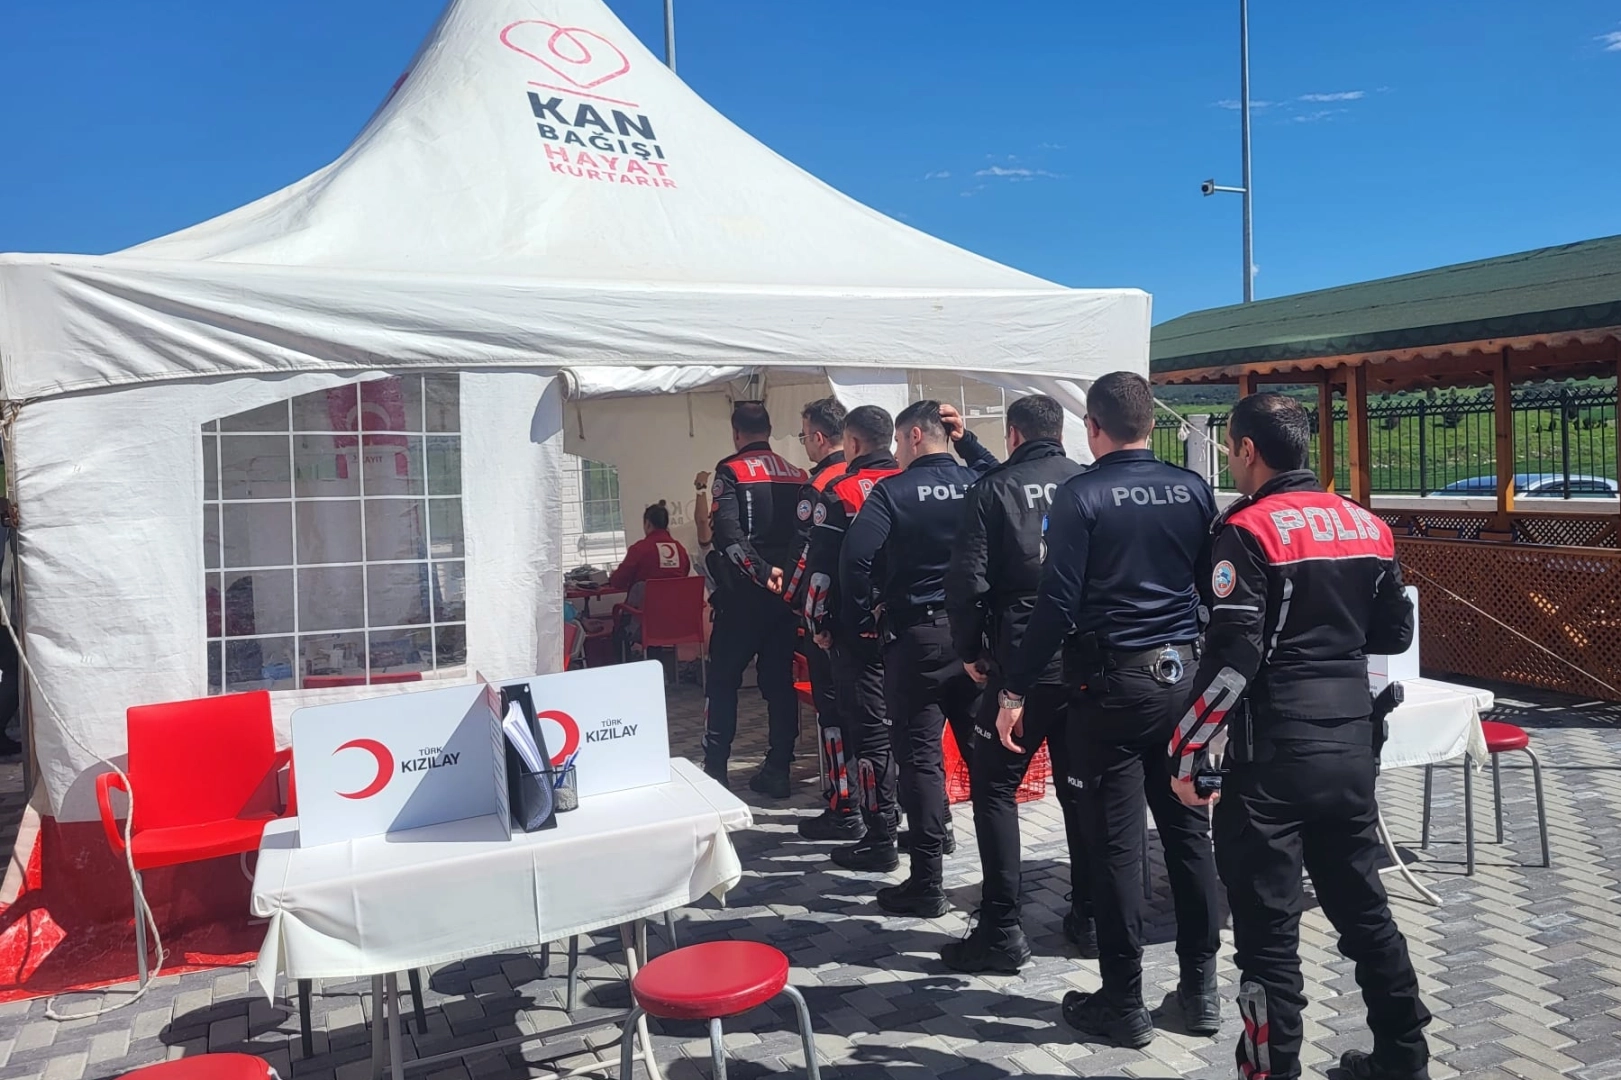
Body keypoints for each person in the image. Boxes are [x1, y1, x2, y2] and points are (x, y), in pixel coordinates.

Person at [1169, 393, 1428, 1080]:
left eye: (1230, 447)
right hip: (1350, 746)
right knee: (1365, 912)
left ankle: (1270, 1069)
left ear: (1247, 450)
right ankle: (1405, 1058)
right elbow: (1393, 633)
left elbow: (1232, 657)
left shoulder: (1247, 529)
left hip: (1272, 758)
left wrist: (1188, 751)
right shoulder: (1367, 524)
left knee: (1267, 940)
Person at [996, 371, 1220, 1048]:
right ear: (1148, 423)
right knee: (1187, 833)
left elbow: (1056, 604)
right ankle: (1201, 988)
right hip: (1181, 676)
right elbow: (1209, 586)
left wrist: (1014, 689)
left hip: (1114, 684)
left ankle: (1123, 1000)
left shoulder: (1082, 495)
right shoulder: (1191, 487)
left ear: (1092, 427)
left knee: (1119, 844)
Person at [941, 394, 1089, 974]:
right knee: (1080, 789)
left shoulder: (993, 490)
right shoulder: (1087, 481)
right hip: (1085, 662)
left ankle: (1002, 927)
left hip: (1020, 664)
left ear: (1014, 435)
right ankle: (1090, 913)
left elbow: (967, 583)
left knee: (995, 788)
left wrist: (970, 652)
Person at [839, 400, 996, 917]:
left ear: (911, 437)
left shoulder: (893, 491)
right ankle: (1000, 886)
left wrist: (862, 617)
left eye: (900, 442)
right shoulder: (979, 481)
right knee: (984, 760)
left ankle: (927, 882)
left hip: (917, 637)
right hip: (976, 638)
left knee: (920, 760)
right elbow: (1011, 479)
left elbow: (855, 557)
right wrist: (969, 442)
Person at [802, 405, 902, 869]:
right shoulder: (913, 483)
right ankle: (934, 826)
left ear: (853, 443)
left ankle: (867, 827)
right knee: (915, 735)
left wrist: (817, 625)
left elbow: (820, 571)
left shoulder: (838, 490)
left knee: (865, 734)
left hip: (856, 633)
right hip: (915, 629)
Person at [703, 402, 808, 797]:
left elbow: (728, 535)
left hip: (743, 596)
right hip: (784, 601)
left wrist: (763, 573)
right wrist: (787, 579)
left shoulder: (730, 471)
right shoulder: (797, 474)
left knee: (722, 681)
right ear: (769, 429)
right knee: (779, 683)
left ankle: (715, 771)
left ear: (736, 433)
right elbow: (806, 536)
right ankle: (778, 768)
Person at [781, 398, 858, 841]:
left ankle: (843, 805)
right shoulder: (877, 477)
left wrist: (792, 601)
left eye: (803, 434)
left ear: (817, 436)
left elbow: (806, 556)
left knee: (832, 712)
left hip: (827, 619)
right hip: (876, 619)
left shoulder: (821, 486)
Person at [603, 501, 693, 660]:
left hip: (644, 623)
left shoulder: (640, 549)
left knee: (620, 629)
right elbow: (683, 578)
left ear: (648, 524)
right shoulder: (680, 550)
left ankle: (626, 669)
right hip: (676, 625)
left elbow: (618, 581)